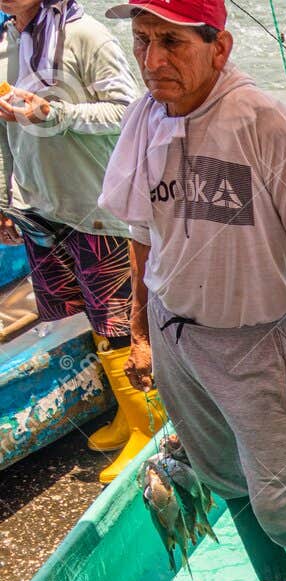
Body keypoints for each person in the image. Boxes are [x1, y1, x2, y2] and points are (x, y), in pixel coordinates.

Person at [98, 0, 286, 581]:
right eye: (141, 41)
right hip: (174, 332)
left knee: (277, 501)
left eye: (171, 43)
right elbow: (139, 230)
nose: (152, 61)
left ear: (220, 48)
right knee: (222, 478)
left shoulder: (262, 120)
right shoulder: (144, 116)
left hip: (255, 342)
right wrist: (139, 333)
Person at [0, 0, 143, 481]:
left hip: (98, 209)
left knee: (118, 319)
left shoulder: (86, 36)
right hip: (42, 206)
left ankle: (149, 423)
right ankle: (127, 415)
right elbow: (6, 131)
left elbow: (128, 111)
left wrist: (55, 113)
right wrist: (7, 197)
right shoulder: (6, 41)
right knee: (80, 315)